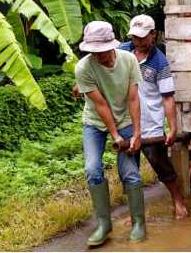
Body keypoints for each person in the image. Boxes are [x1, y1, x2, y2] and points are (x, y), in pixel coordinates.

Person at [74, 21, 146, 246]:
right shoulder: (83, 68)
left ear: (111, 45)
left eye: (101, 50)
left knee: (130, 172)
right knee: (92, 169)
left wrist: (136, 133)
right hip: (95, 122)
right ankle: (104, 224)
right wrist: (114, 136)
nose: (97, 55)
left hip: (125, 118)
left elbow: (134, 98)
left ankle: (138, 222)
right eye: (92, 51)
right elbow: (101, 105)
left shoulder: (129, 60)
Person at [118, 14, 188, 220]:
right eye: (135, 37)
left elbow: (167, 98)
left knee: (161, 166)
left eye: (142, 37)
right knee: (128, 170)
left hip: (150, 124)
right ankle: (135, 213)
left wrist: (172, 127)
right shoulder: (122, 52)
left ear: (153, 35)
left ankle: (178, 200)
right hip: (126, 122)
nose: (138, 42)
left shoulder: (160, 62)